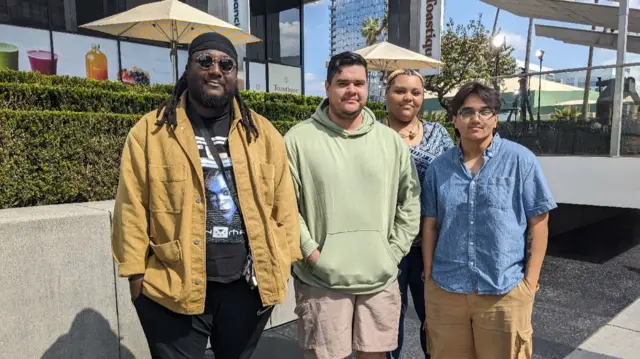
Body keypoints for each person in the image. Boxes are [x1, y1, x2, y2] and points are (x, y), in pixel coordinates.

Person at [111, 32, 302, 359]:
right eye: (205, 61)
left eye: (226, 64)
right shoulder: (151, 131)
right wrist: (135, 277)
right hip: (172, 284)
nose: (216, 70)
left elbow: (284, 205)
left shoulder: (263, 134)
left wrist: (281, 262)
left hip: (247, 288)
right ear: (188, 69)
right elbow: (131, 207)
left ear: (235, 75)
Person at [285, 51, 421, 359]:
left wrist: (393, 252)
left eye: (359, 83)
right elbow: (285, 206)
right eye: (342, 83)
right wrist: (310, 251)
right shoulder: (298, 139)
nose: (352, 90)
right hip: (321, 279)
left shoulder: (390, 142)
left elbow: (411, 202)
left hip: (379, 276)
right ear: (327, 87)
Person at [421, 82, 557, 359]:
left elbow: (539, 222)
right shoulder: (439, 168)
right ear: (455, 120)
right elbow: (430, 225)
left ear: (495, 118)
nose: (476, 118)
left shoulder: (521, 161)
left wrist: (530, 283)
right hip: (447, 290)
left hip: (504, 291)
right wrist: (429, 279)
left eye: (485, 111)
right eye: (467, 111)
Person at [383, 69, 454, 359]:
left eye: (416, 92)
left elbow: (452, 183)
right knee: (387, 323)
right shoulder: (373, 133)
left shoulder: (439, 134)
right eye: (400, 90)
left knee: (434, 321)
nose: (408, 98)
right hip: (388, 246)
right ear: (386, 93)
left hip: (432, 247)